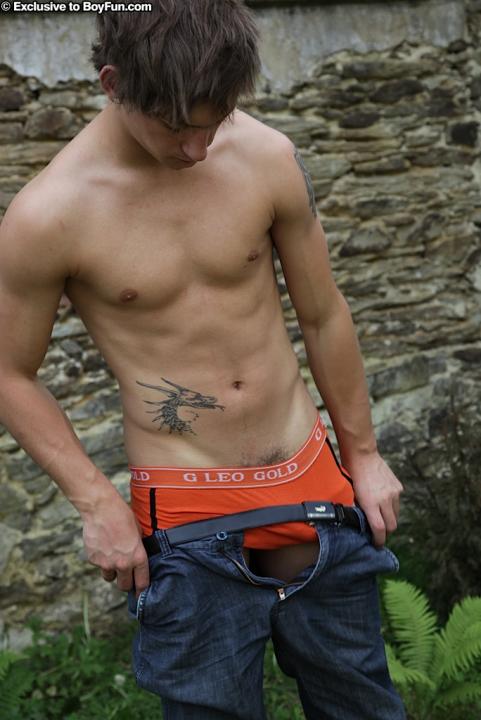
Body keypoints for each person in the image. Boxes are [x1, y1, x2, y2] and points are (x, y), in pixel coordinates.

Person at [0, 1, 406, 718]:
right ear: (113, 84)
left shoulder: (266, 156)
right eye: (176, 127)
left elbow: (322, 314)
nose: (196, 149)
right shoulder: (49, 216)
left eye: (213, 123)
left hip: (312, 484)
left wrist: (364, 455)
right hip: (188, 513)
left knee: (362, 705)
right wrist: (97, 504)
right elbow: (9, 373)